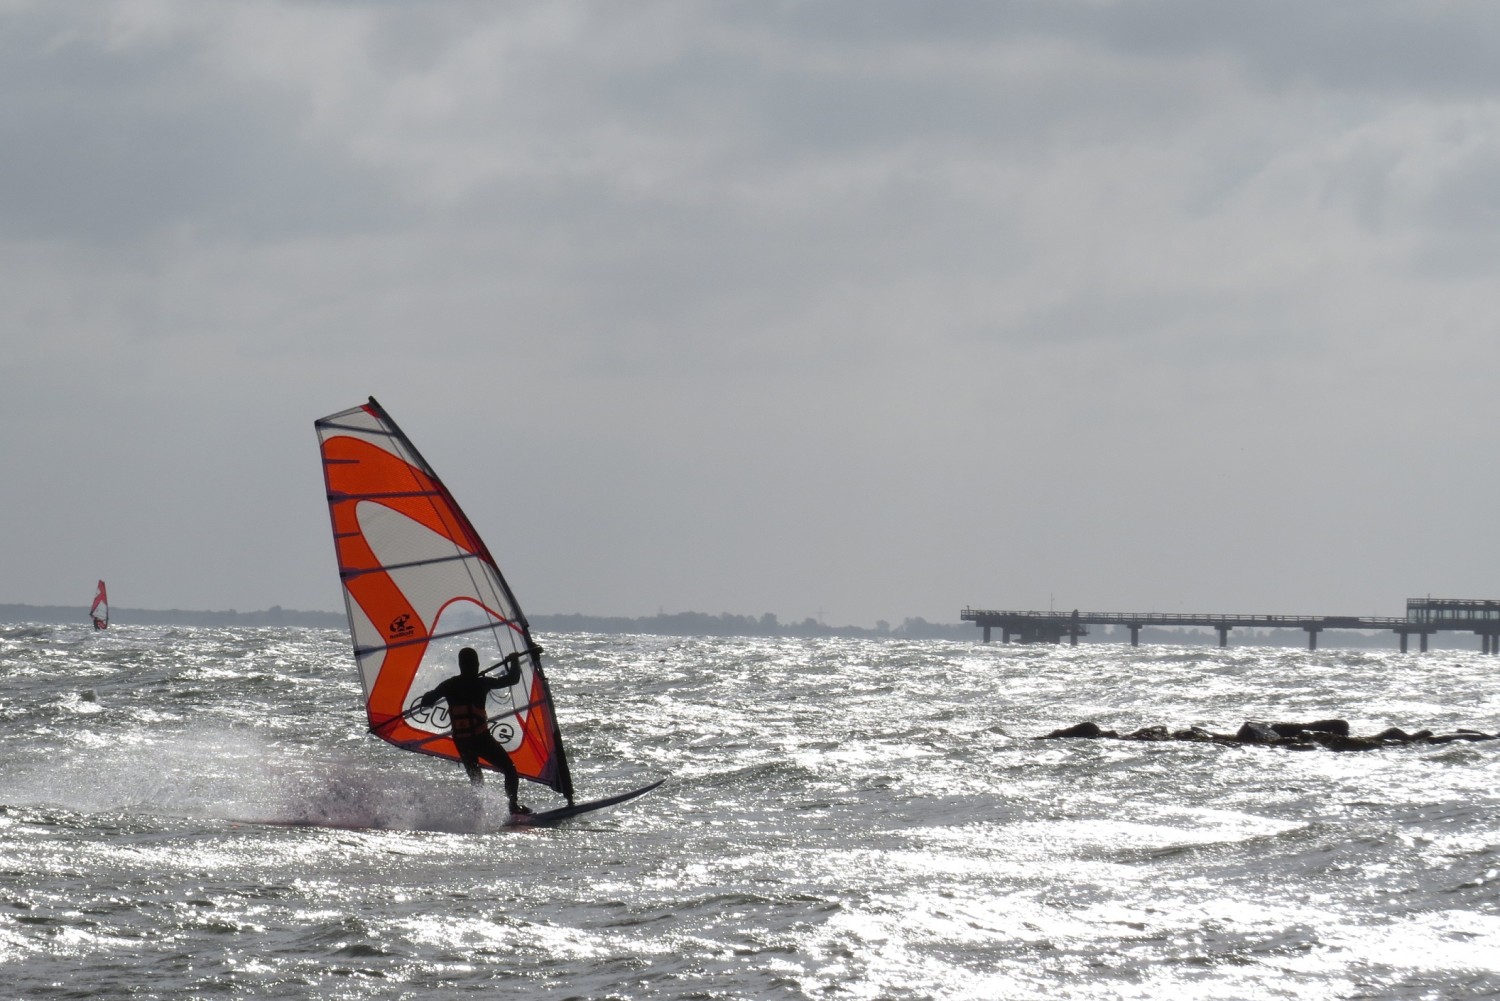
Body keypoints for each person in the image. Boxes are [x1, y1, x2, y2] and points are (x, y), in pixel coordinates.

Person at [417, 646, 531, 815]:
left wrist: (427, 697)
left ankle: (478, 812)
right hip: (481, 738)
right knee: (509, 769)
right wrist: (514, 660)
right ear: (476, 664)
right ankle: (513, 806)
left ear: (460, 665)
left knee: (476, 779)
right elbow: (512, 679)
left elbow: (427, 701)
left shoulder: (449, 684)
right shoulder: (481, 683)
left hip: (462, 741)